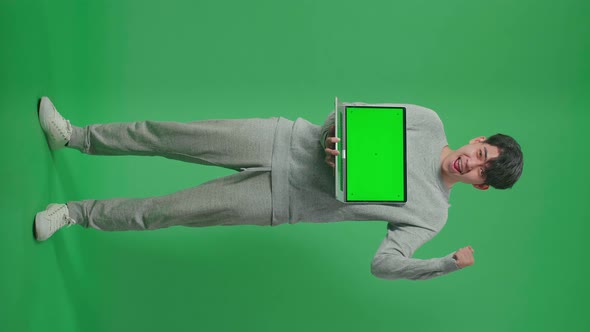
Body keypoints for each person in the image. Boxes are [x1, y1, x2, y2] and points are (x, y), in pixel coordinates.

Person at [34, 96, 523, 281]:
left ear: (480, 186)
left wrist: (442, 264)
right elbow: (350, 113)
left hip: (280, 202)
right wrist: (335, 136)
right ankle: (74, 136)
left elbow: (383, 264)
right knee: (167, 134)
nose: (472, 163)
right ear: (478, 142)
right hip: (278, 139)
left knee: (167, 212)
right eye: (482, 154)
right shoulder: (429, 123)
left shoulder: (433, 214)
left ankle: (73, 214)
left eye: (482, 171)